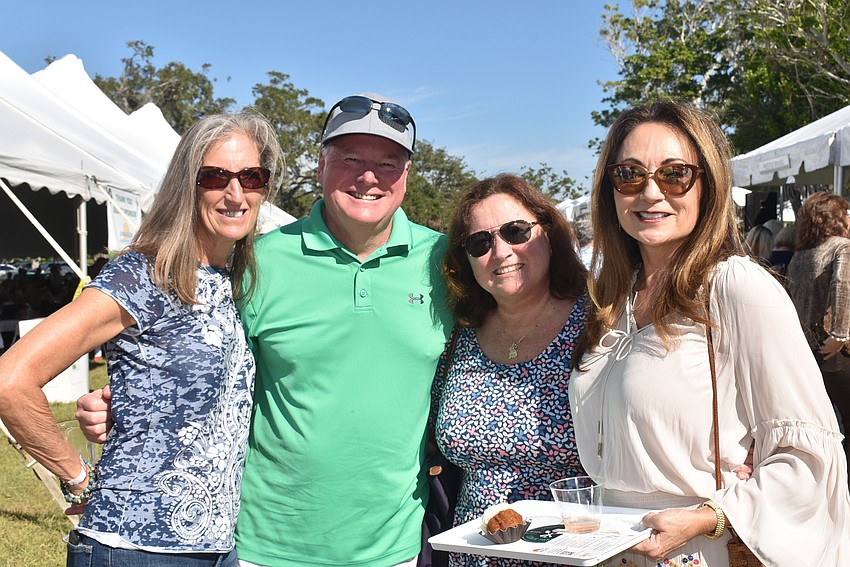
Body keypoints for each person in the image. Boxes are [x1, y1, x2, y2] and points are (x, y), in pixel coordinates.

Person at [78, 93, 453, 566]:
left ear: (406, 175)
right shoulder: (257, 261)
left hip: (393, 547)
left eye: (388, 162)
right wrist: (128, 401)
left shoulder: (447, 262)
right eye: (350, 158)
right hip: (265, 547)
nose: (368, 176)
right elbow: (205, 361)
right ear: (320, 165)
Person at [569, 100, 850, 566]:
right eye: (630, 174)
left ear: (708, 185)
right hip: (613, 549)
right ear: (610, 190)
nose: (650, 192)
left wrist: (709, 517)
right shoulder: (611, 301)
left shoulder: (733, 286)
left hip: (698, 552)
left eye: (675, 174)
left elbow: (811, 457)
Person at [0, 111, 282, 566]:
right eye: (215, 177)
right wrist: (76, 477)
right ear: (187, 185)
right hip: (133, 548)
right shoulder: (142, 275)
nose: (236, 193)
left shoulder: (236, 280)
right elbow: (11, 380)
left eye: (251, 176)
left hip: (218, 547)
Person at [434, 174, 588, 567]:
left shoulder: (599, 324)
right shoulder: (459, 335)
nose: (501, 252)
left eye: (516, 231)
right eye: (480, 242)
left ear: (548, 233)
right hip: (470, 556)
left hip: (573, 555)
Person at [786, 191, 850, 480]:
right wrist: (840, 333)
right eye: (846, 213)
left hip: (807, 352)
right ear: (836, 218)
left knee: (822, 424)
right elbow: (842, 287)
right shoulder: (842, 247)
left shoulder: (799, 256)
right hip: (835, 351)